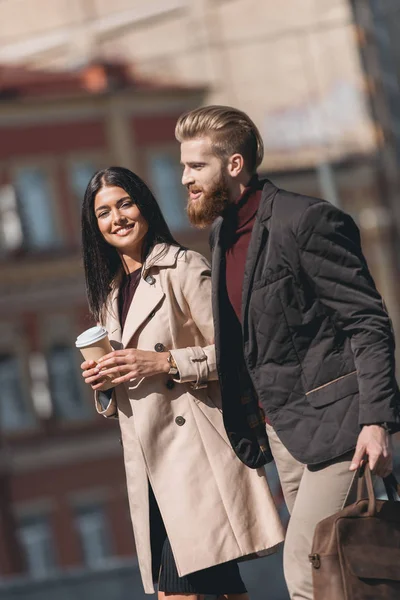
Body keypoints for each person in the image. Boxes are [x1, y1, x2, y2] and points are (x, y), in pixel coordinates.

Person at [175, 105, 400, 600]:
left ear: (234, 165)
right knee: (331, 579)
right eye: (184, 165)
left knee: (305, 568)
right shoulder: (221, 235)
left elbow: (367, 321)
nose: (184, 177)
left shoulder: (305, 221)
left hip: (343, 427)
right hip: (284, 434)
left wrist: (378, 421)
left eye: (196, 166)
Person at [79, 166, 284, 599]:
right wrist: (104, 383)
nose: (116, 218)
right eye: (103, 213)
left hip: (195, 460)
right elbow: (130, 387)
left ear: (145, 207)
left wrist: (165, 362)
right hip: (149, 467)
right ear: (94, 227)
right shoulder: (110, 296)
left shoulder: (184, 266)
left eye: (124, 204)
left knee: (181, 592)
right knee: (222, 589)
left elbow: (238, 355)